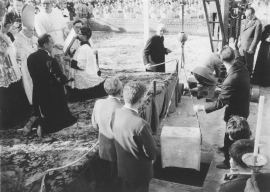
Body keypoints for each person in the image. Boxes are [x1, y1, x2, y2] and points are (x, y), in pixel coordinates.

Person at [193, 40, 250, 169]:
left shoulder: (230, 81)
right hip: (243, 106)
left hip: (237, 112)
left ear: (221, 60)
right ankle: (226, 148)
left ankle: (227, 161)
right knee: (230, 135)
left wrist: (201, 107)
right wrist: (235, 47)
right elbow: (240, 57)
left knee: (231, 136)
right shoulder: (241, 66)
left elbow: (220, 103)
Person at [111, 82, 158, 192]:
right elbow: (152, 153)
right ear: (141, 100)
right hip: (139, 174)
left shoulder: (115, 113)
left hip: (123, 169)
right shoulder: (140, 124)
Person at [27, 33, 77, 136]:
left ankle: (37, 121)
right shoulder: (50, 60)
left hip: (37, 92)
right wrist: (67, 79)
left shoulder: (30, 57)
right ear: (45, 45)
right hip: (52, 94)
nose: (53, 45)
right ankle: (43, 126)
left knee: (43, 112)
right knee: (64, 119)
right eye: (52, 43)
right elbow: (60, 79)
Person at [92, 76, 123, 192]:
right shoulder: (122, 108)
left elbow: (94, 125)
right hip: (118, 153)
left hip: (103, 150)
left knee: (102, 182)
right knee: (116, 184)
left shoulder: (98, 103)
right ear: (121, 90)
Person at [14, 4, 39, 135]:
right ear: (25, 30)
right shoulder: (18, 39)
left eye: (33, 30)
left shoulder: (32, 36)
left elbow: (37, 43)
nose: (33, 33)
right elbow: (18, 53)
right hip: (26, 67)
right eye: (31, 30)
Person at [238, 7, 262, 77]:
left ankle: (248, 80)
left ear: (253, 14)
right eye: (246, 15)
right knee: (241, 63)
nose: (247, 17)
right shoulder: (244, 21)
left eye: (248, 16)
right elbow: (241, 32)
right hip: (241, 46)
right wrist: (239, 40)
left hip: (249, 48)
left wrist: (252, 48)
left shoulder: (258, 23)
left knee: (248, 65)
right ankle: (241, 78)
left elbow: (257, 37)